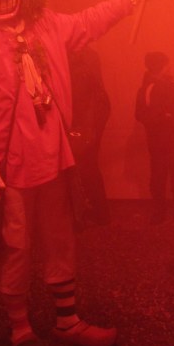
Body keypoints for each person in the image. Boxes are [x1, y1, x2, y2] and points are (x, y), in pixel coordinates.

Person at [0, 0, 150, 346]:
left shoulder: (47, 25)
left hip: (55, 160)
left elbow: (89, 21)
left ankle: (67, 320)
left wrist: (129, 0)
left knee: (60, 239)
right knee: (16, 245)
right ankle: (20, 328)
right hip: (10, 168)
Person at [135, 51, 174, 224]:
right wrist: (163, 117)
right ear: (160, 67)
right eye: (167, 64)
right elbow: (140, 114)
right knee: (158, 176)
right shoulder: (146, 89)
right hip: (158, 141)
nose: (170, 67)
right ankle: (159, 211)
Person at [67, 45, 112, 225]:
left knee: (84, 166)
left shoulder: (78, 62)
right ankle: (98, 212)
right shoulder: (88, 56)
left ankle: (94, 212)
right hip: (91, 120)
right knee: (88, 166)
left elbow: (78, 96)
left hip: (85, 121)